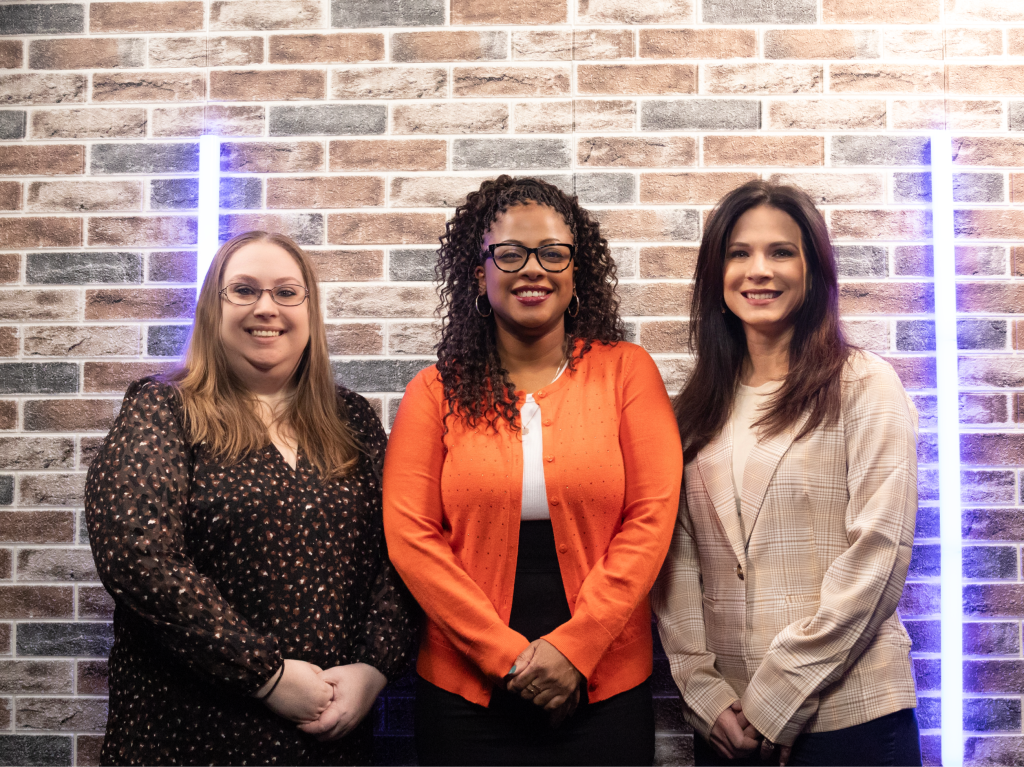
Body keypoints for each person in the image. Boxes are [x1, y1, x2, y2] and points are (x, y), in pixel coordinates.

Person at [382, 176, 683, 767]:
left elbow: (653, 517)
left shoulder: (627, 373)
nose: (532, 270)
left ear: (575, 273)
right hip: (466, 693)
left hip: (604, 683)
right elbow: (410, 537)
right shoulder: (433, 391)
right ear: (479, 271)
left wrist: (576, 649)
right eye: (510, 254)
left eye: (552, 253)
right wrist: (504, 657)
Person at [84, 231, 416, 766]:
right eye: (243, 290)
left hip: (329, 734)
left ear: (310, 311)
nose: (267, 307)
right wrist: (266, 676)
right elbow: (136, 557)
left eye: (287, 292)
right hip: (186, 732)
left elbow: (403, 549)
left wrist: (374, 669)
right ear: (213, 308)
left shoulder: (351, 419)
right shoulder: (164, 408)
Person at [652, 180, 921, 767]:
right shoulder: (691, 409)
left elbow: (879, 553)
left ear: (812, 269)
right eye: (739, 253)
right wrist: (704, 693)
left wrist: (777, 695)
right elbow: (675, 562)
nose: (759, 271)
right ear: (716, 274)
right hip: (729, 726)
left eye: (781, 252)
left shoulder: (865, 385)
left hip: (850, 715)